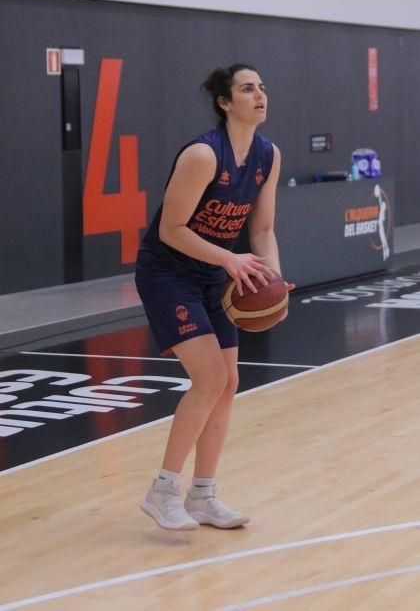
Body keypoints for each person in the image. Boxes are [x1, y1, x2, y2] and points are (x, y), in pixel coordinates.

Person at [135, 63, 289, 531]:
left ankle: (203, 495)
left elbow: (261, 229)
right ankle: (163, 490)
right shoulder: (204, 155)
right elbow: (171, 229)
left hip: (213, 274)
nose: (259, 95)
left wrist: (274, 282)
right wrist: (229, 259)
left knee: (229, 381)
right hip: (168, 271)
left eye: (262, 87)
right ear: (225, 102)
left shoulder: (268, 155)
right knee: (208, 378)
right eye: (247, 89)